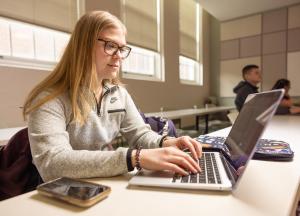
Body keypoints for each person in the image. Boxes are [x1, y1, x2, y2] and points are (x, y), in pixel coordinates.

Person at [22, 11, 202, 182]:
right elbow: (52, 164)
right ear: (83, 46)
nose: (119, 57)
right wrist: (134, 158)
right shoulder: (49, 99)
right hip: (60, 193)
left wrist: (167, 142)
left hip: (100, 183)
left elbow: (139, 135)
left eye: (122, 49)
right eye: (110, 46)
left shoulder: (118, 94)